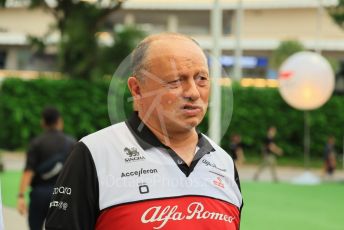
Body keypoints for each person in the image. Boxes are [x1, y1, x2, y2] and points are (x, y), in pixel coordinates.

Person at [45, 33, 243, 230]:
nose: (193, 92)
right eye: (175, 81)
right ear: (137, 90)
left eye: (201, 79)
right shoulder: (94, 154)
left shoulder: (223, 163)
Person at [17, 107, 76, 230]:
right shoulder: (71, 143)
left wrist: (21, 196)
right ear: (59, 121)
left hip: (39, 193)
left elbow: (28, 171)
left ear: (43, 122)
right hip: (62, 194)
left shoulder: (36, 143)